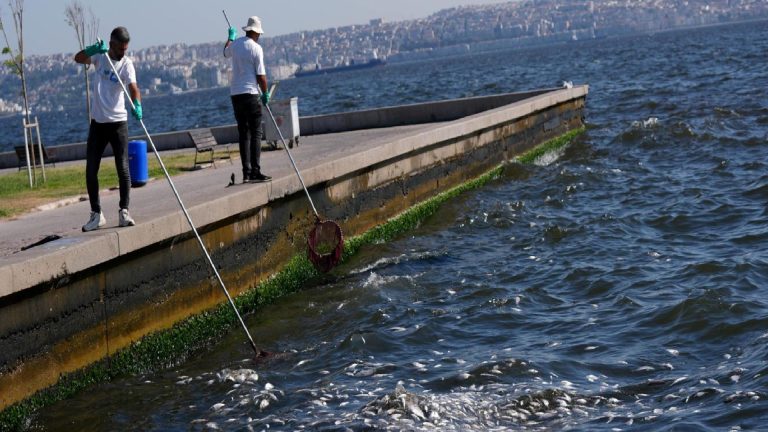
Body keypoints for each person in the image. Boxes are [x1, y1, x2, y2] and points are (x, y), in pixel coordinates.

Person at [74, 26, 142, 231]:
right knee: (91, 169)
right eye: (120, 49)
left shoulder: (127, 64)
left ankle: (124, 211)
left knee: (123, 168)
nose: (123, 52)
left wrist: (137, 104)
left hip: (118, 122)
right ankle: (96, 214)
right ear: (111, 44)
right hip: (98, 123)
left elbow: (133, 88)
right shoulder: (100, 57)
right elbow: (78, 58)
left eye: (125, 49)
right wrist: (93, 49)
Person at [224, 16, 272, 183]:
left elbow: (225, 52)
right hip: (251, 93)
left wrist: (230, 37)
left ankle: (246, 173)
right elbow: (261, 76)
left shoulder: (235, 44)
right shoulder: (256, 48)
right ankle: (255, 171)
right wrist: (265, 93)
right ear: (256, 32)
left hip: (235, 95)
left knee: (244, 133)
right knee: (256, 132)